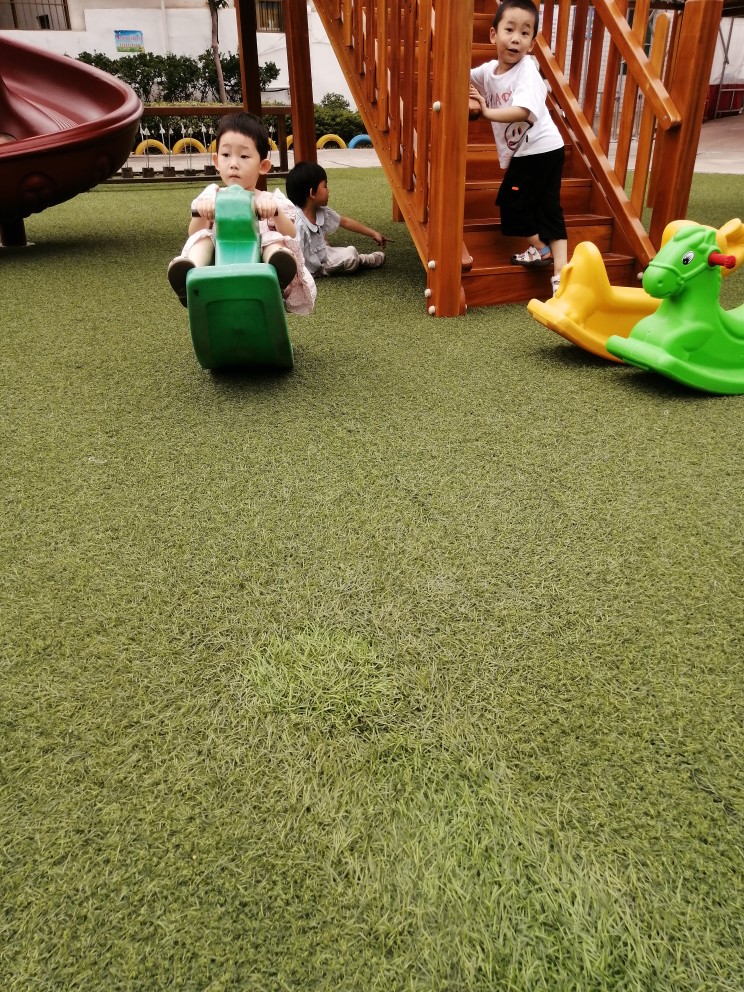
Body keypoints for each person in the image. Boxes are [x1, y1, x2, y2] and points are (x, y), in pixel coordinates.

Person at [167, 111, 315, 315]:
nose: (233, 163)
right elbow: (193, 233)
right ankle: (191, 276)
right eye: (226, 155)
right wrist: (202, 213)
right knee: (204, 238)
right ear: (216, 161)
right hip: (217, 259)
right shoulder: (212, 196)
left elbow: (291, 233)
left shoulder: (269, 199)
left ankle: (277, 274)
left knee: (272, 240)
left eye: (244, 156)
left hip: (258, 262)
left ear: (263, 166)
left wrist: (275, 212)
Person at [469, 0, 567, 295]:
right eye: (509, 30)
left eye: (525, 33)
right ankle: (558, 272)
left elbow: (523, 111)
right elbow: (462, 74)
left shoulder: (527, 71)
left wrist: (485, 111)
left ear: (532, 44)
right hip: (536, 150)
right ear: (493, 35)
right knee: (546, 207)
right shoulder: (488, 71)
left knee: (514, 204)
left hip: (540, 149)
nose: (516, 38)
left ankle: (546, 254)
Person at [285, 161, 388, 278]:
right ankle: (363, 259)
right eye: (325, 186)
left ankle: (354, 257)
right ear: (312, 193)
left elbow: (344, 222)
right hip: (308, 268)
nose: (328, 190)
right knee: (351, 255)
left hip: (323, 255)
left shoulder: (321, 211)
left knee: (347, 253)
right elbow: (292, 252)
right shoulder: (298, 223)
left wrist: (373, 233)